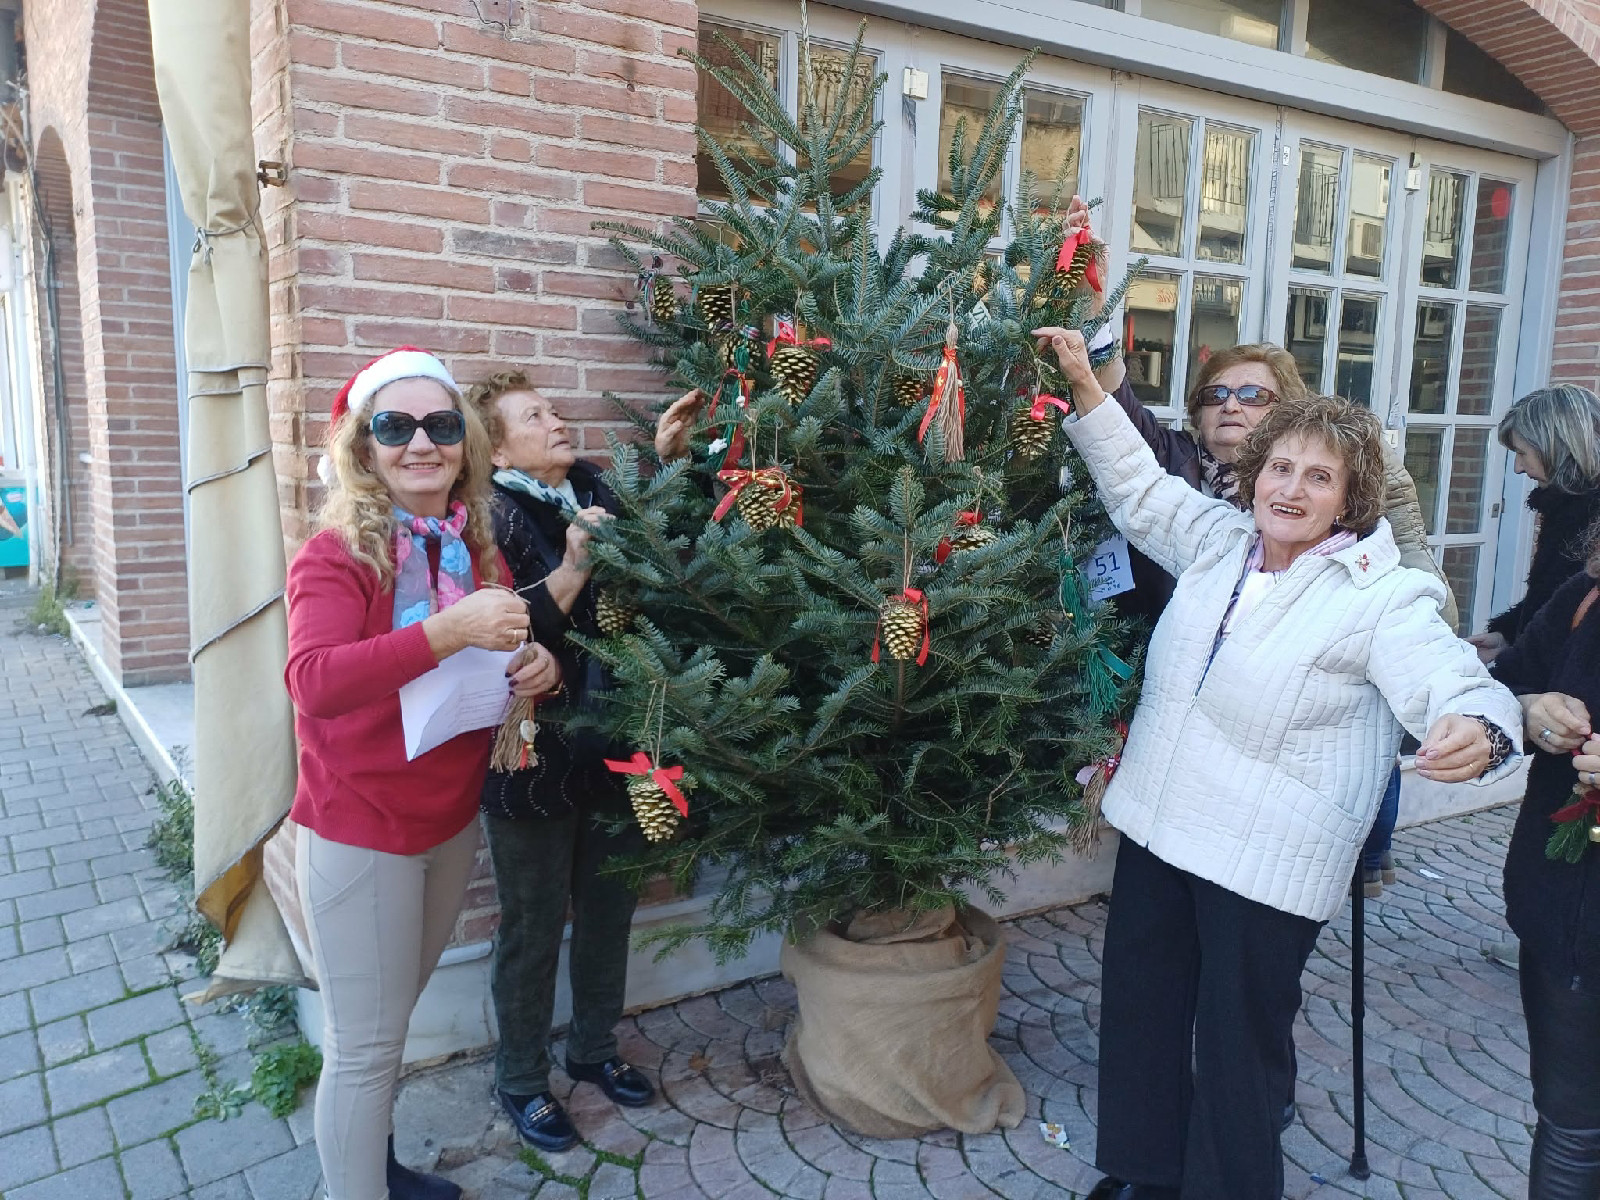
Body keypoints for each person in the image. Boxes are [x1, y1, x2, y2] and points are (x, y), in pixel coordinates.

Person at [1037, 326, 1520, 1200]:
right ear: (1256, 473)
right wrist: (1086, 383)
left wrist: (1481, 726)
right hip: (1160, 825)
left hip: (1264, 860)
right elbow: (1140, 488)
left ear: (1351, 498)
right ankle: (1146, 1174)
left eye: (1318, 477)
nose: (1291, 489)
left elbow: (1444, 672)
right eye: (1281, 468)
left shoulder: (1384, 595)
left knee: (1238, 1046)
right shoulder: (1220, 542)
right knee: (1143, 1013)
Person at [286, 348, 562, 1200]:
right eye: (394, 426)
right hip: (362, 829)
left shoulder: (476, 550)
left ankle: (377, 1170)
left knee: (390, 1023)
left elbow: (501, 652)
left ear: (465, 443)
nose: (419, 444)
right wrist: (448, 632)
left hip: (446, 822)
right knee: (365, 1047)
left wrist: (537, 666)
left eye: (440, 425)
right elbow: (314, 682)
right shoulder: (335, 556)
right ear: (363, 447)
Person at [466, 371, 703, 1152]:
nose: (558, 422)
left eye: (557, 410)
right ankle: (521, 1078)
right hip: (532, 755)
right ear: (499, 450)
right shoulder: (488, 519)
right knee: (533, 925)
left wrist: (667, 462)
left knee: (609, 907)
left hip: (615, 741)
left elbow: (661, 561)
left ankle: (593, 1049)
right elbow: (506, 633)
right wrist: (571, 564)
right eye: (535, 417)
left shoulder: (595, 486)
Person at [1488, 538, 1600, 1200]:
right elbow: (1503, 683)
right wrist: (1530, 709)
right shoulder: (1585, 597)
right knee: (1571, 1130)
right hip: (1565, 922)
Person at [1470, 384, 1600, 661]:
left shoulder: (1587, 518)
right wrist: (1506, 635)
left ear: (1556, 447)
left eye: (1522, 453)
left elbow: (1573, 626)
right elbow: (1553, 602)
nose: (1517, 468)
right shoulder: (1565, 507)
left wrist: (1516, 661)